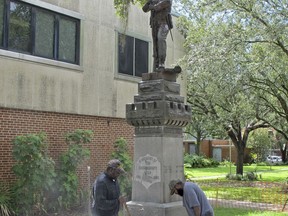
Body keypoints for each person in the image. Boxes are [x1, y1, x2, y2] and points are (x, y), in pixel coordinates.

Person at [142, 0, 173, 71]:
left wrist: (153, 6)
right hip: (155, 24)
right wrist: (149, 3)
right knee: (155, 45)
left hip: (164, 23)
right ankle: (156, 64)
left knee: (161, 38)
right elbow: (144, 9)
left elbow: (164, 4)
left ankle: (162, 62)